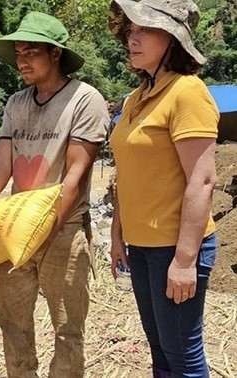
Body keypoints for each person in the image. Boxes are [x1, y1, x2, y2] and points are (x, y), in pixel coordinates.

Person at [0, 12, 109, 377]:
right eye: (18, 53)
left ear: (55, 54)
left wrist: (45, 231)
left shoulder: (85, 100)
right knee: (12, 323)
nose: (22, 61)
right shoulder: (17, 103)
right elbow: (3, 161)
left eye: (31, 51)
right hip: (15, 228)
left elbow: (75, 176)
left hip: (63, 231)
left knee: (67, 329)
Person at [108, 1, 219, 376]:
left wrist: (185, 261)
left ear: (172, 38)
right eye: (130, 30)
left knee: (184, 357)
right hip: (142, 247)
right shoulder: (135, 99)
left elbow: (202, 181)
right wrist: (117, 235)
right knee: (160, 351)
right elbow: (126, 173)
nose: (132, 38)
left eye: (143, 29)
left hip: (175, 247)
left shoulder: (188, 92)